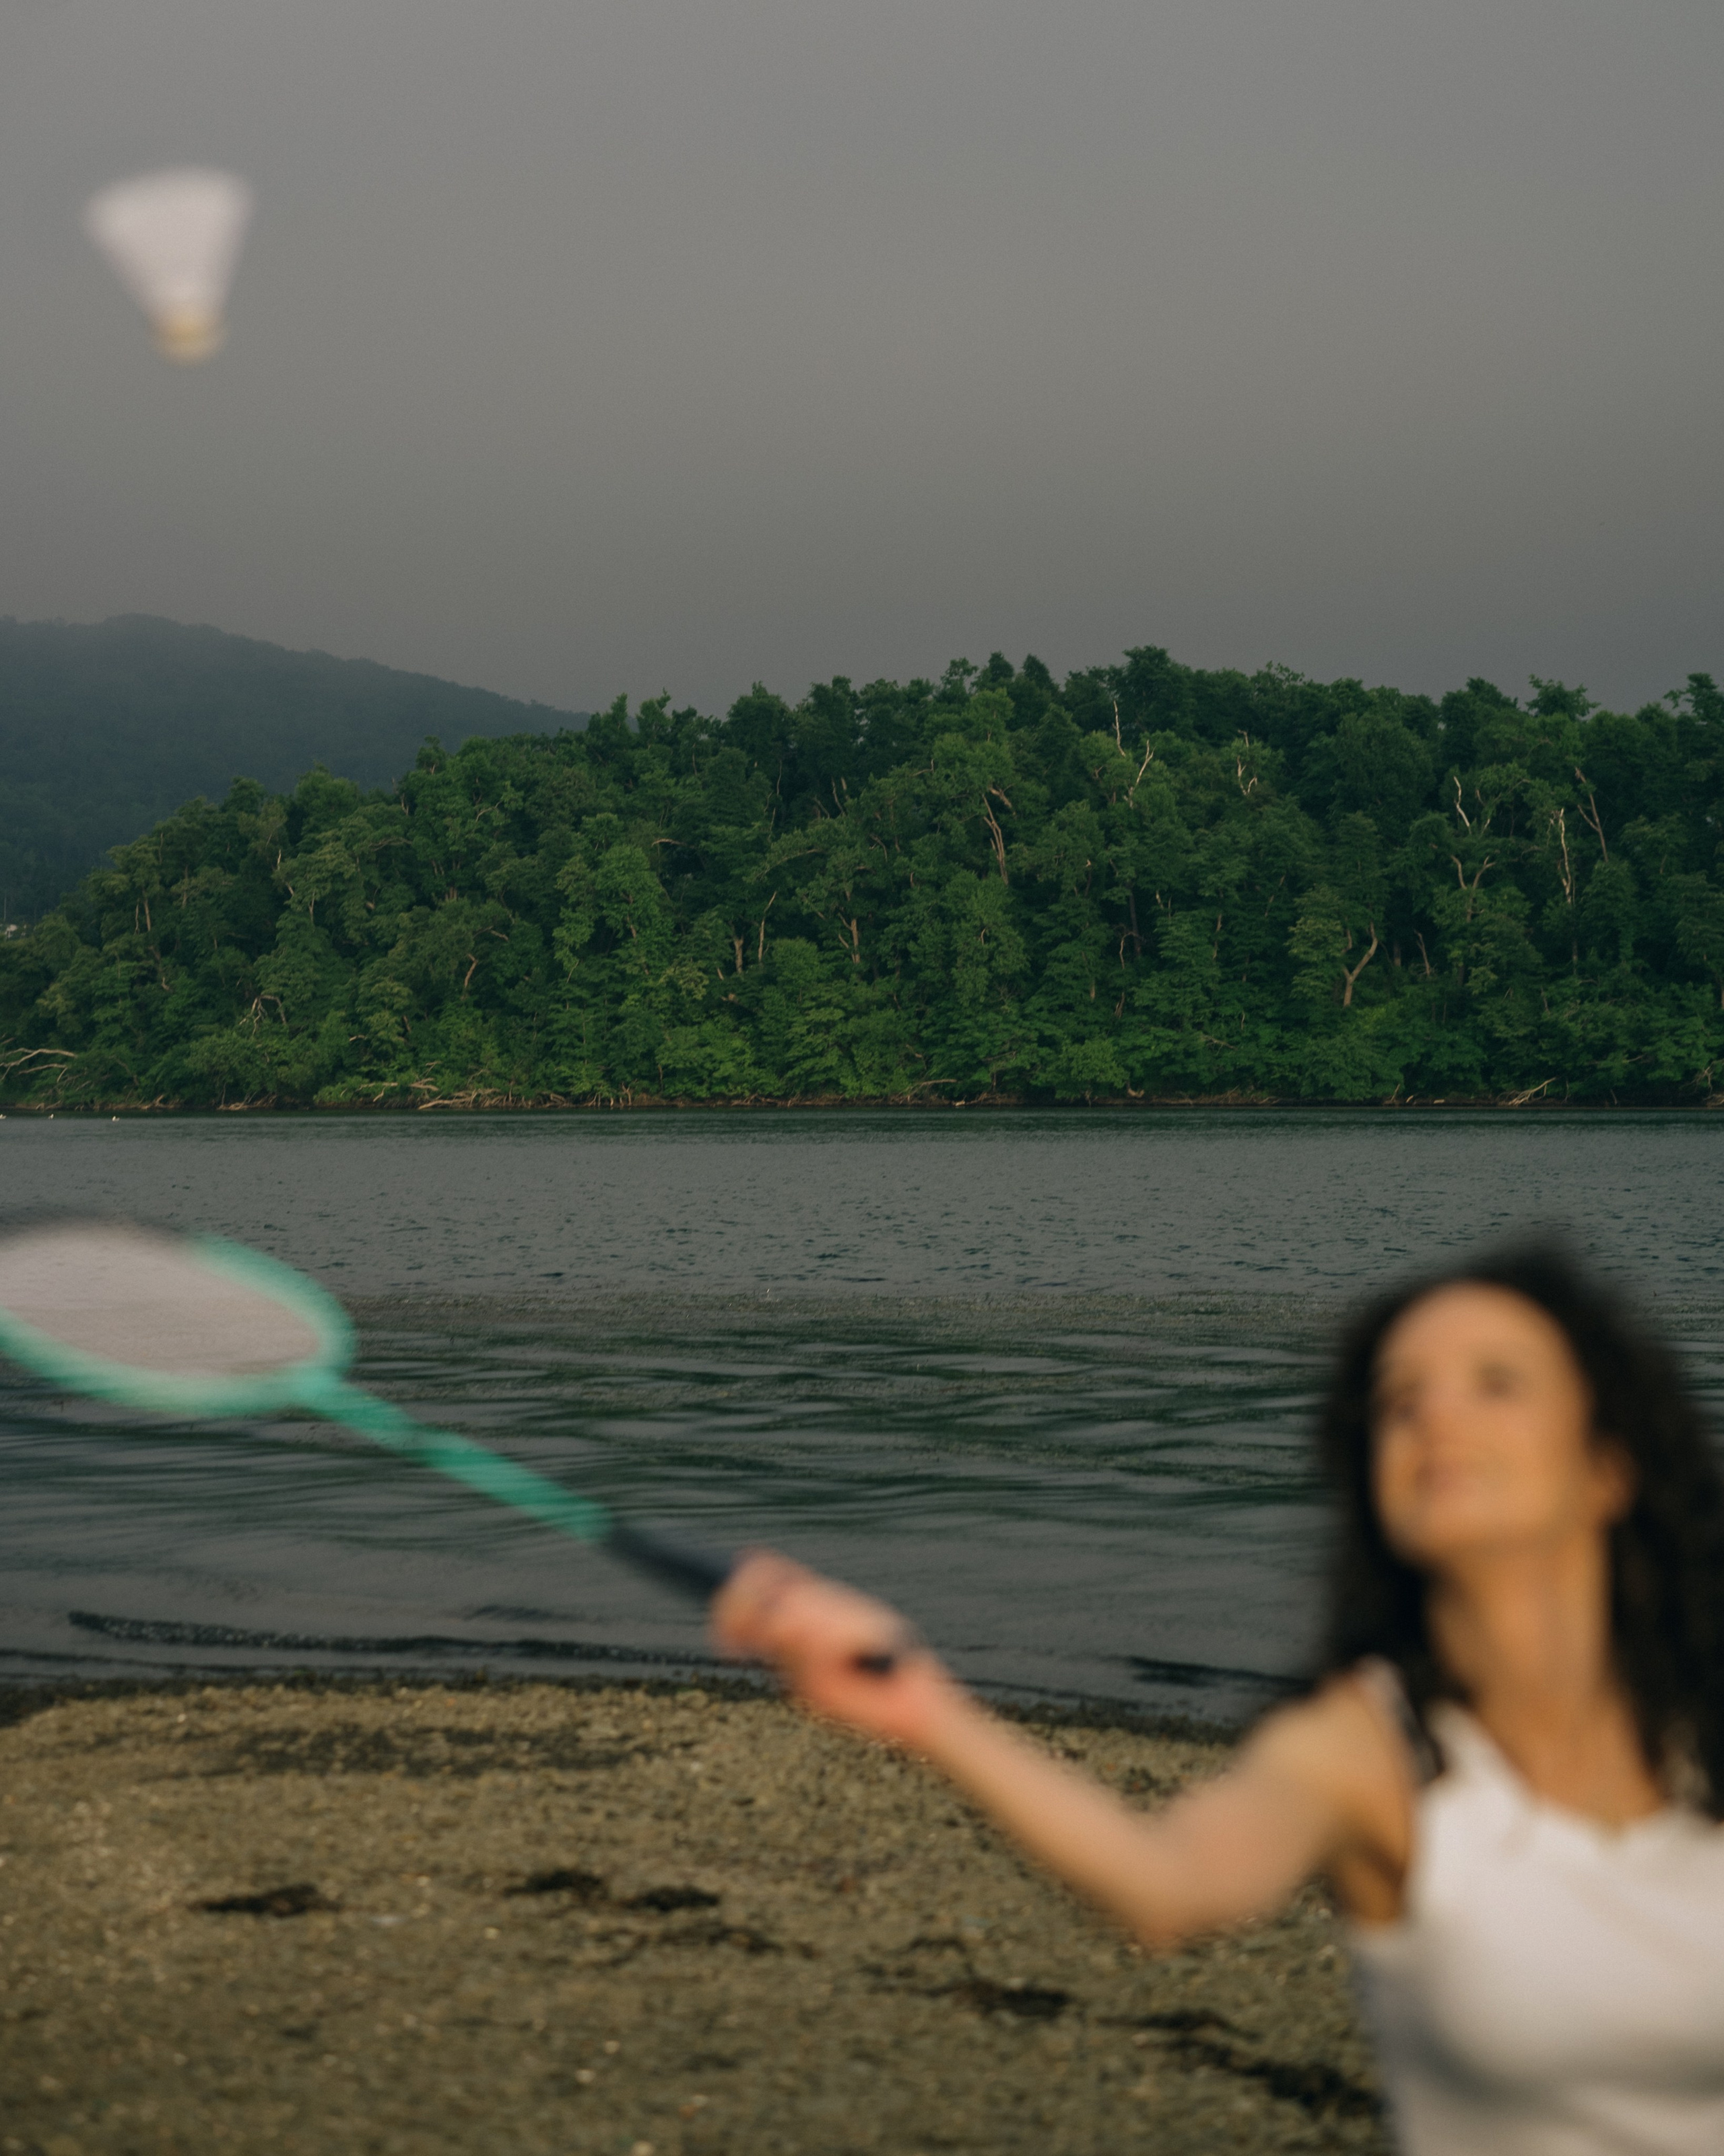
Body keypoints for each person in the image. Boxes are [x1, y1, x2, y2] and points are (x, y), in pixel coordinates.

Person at [713, 1242, 1724, 2156]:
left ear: (1608, 1465)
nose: (1437, 1415)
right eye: (1399, 1400)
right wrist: (927, 1707)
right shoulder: (1361, 1750)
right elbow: (1165, 1884)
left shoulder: (1700, 1722)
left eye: (1495, 1383)